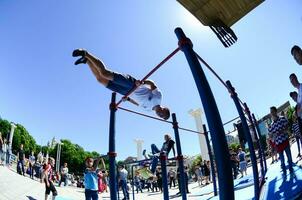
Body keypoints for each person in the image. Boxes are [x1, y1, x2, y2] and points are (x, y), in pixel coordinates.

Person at [72, 49, 170, 120]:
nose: (160, 115)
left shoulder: (148, 110)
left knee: (100, 79)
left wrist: (127, 99)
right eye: (163, 114)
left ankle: (87, 61)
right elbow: (152, 83)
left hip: (125, 92)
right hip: (131, 85)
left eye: (161, 117)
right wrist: (142, 83)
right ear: (165, 109)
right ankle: (86, 53)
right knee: (104, 73)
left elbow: (137, 103)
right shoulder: (158, 98)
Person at [268, 106, 293, 174]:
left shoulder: (282, 119)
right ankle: (284, 172)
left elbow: (288, 127)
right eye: (271, 112)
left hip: (285, 141)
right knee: (282, 160)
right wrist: (272, 136)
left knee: (289, 157)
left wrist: (283, 131)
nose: (272, 113)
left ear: (276, 111)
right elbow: (270, 136)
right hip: (278, 144)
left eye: (273, 111)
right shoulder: (271, 125)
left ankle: (291, 170)